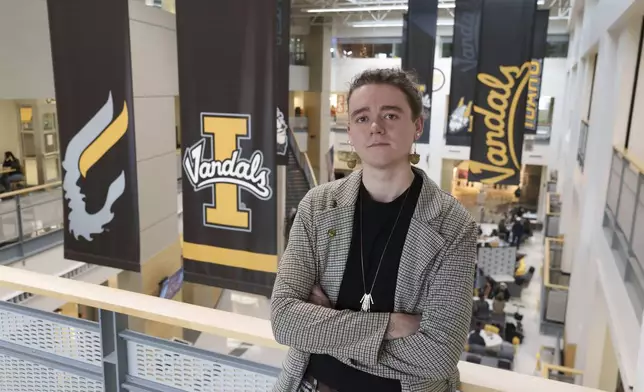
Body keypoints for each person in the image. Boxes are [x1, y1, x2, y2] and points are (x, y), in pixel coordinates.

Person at [271, 68, 478, 392]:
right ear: (350, 132)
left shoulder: (454, 227)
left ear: (417, 126)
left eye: (391, 115)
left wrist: (324, 329)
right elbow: (284, 320)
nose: (376, 127)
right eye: (362, 118)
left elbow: (440, 354)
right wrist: (391, 325)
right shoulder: (317, 207)